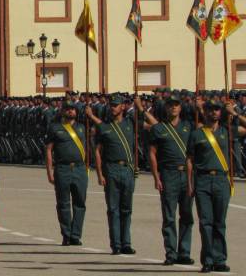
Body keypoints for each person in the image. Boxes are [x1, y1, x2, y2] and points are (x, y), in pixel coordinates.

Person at [143, 95, 195, 266]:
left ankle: (184, 252)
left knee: (187, 215)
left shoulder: (188, 126)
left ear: (180, 108)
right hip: (168, 174)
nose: (173, 108)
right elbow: (152, 153)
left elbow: (193, 153)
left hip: (186, 174)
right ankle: (171, 253)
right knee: (169, 216)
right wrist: (156, 177)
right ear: (166, 108)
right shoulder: (159, 129)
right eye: (170, 105)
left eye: (176, 105)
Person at [86, 95, 138, 255]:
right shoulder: (104, 127)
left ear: (123, 107)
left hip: (128, 169)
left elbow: (149, 122)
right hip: (112, 169)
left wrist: (140, 106)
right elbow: (97, 151)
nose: (113, 107)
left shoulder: (131, 123)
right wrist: (100, 174)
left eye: (116, 105)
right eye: (111, 105)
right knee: (113, 209)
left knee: (127, 209)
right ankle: (116, 244)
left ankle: (126, 243)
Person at [187, 99, 232, 273]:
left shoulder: (226, 131)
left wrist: (233, 113)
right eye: (210, 109)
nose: (213, 112)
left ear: (221, 112)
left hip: (221, 180)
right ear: (204, 112)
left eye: (216, 109)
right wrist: (190, 184)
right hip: (203, 181)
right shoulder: (197, 134)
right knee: (206, 222)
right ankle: (207, 260)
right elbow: (190, 159)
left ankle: (220, 259)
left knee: (220, 222)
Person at [45, 101, 88, 246]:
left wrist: (91, 115)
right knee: (63, 203)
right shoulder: (55, 128)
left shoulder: (83, 127)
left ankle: (76, 235)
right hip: (62, 169)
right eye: (68, 109)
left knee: (80, 203)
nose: (70, 111)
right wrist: (49, 171)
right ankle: (66, 234)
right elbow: (49, 150)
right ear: (62, 111)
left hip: (80, 169)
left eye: (73, 109)